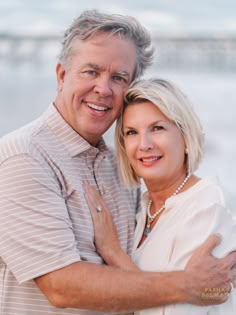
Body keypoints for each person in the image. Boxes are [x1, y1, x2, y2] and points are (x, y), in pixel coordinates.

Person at [0, 9, 235, 315]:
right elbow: (61, 285)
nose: (103, 88)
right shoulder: (25, 158)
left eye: (119, 77)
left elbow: (212, 288)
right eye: (91, 72)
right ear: (61, 75)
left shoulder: (122, 169)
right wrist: (189, 285)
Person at [83, 78, 236, 314]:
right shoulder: (145, 208)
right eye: (132, 132)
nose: (144, 144)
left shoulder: (209, 206)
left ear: (185, 138)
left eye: (157, 128)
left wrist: (113, 253)